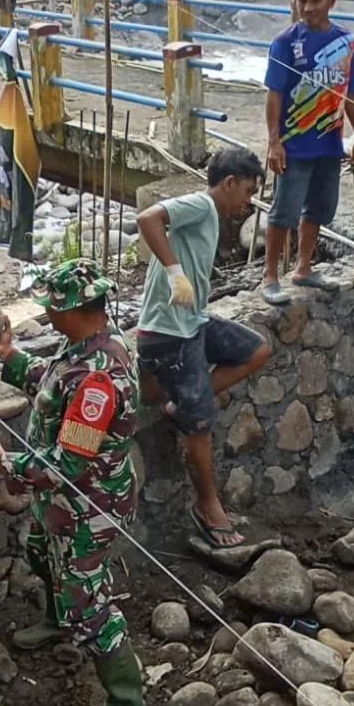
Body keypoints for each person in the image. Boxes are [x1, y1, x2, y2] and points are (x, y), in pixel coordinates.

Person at [0, 258, 145, 706]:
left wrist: (1, 461)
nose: (45, 311)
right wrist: (9, 354)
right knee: (41, 551)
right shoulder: (87, 346)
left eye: (50, 304)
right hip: (63, 502)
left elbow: (65, 466)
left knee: (88, 600)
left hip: (90, 504)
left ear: (76, 308)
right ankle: (57, 619)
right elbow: (52, 385)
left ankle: (126, 700)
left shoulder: (98, 380)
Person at [134, 148, 272, 548]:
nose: (248, 202)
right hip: (168, 334)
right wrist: (175, 272)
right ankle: (207, 506)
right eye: (247, 192)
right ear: (228, 184)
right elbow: (148, 218)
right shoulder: (200, 203)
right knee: (200, 427)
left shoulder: (209, 215)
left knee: (257, 350)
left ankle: (186, 401)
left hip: (191, 323)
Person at [262, 0, 354, 306]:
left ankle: (304, 267)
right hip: (293, 146)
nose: (307, 8)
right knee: (284, 212)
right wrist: (273, 141)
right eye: (301, 0)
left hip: (329, 144)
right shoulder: (284, 43)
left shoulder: (346, 44)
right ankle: (269, 275)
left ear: (331, 2)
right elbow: (274, 94)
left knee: (320, 208)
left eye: (314, 1)